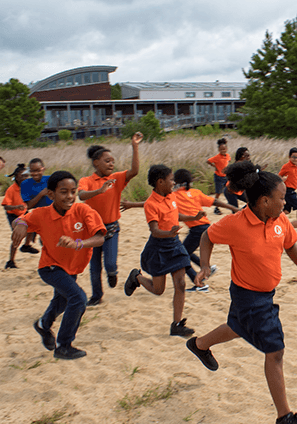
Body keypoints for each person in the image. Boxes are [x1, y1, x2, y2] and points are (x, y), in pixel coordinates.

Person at [185, 160, 297, 424]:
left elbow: (291, 245)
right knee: (275, 351)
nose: (286, 203)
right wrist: (205, 266)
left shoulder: (279, 220)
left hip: (265, 294)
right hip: (249, 296)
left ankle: (199, 345)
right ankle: (284, 418)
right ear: (263, 201)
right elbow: (207, 237)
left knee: (237, 327)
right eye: (281, 198)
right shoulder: (235, 224)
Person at [12, 171, 106, 360]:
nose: (70, 196)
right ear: (51, 195)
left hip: (71, 268)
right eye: (64, 192)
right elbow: (20, 219)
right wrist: (21, 223)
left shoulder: (84, 211)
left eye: (73, 191)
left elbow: (100, 238)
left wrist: (78, 243)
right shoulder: (42, 214)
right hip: (50, 267)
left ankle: (43, 325)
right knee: (78, 298)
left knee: (61, 302)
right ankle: (64, 345)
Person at [123, 165, 204, 337]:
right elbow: (154, 230)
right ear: (160, 182)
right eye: (171, 180)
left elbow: (176, 215)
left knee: (181, 284)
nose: (174, 183)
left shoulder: (171, 196)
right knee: (158, 290)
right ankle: (136, 277)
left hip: (174, 244)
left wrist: (193, 218)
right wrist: (169, 233)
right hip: (159, 247)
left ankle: (176, 324)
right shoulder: (151, 204)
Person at [78, 132, 142, 306]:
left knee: (110, 264)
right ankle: (96, 296)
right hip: (92, 230)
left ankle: (112, 273)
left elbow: (134, 171)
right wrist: (99, 191)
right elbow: (82, 195)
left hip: (111, 227)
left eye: (113, 161)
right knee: (94, 266)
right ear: (96, 162)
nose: (111, 164)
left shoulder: (115, 179)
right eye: (107, 161)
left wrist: (135, 146)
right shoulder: (87, 180)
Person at [173, 169, 238, 291]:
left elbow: (152, 203)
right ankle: (207, 267)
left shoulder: (174, 196)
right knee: (185, 251)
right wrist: (233, 207)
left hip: (197, 230)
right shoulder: (195, 192)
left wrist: (133, 205)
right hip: (205, 227)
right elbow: (215, 201)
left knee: (180, 256)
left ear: (176, 182)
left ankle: (199, 283)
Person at [20, 158, 52, 254]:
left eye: (38, 170)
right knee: (45, 240)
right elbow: (28, 206)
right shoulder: (25, 184)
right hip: (40, 216)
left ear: (43, 169)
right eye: (32, 171)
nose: (35, 173)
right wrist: (41, 194)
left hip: (55, 214)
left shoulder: (50, 180)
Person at [2, 163, 29, 269]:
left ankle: (27, 245)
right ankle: (11, 261)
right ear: (16, 177)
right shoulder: (11, 189)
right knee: (17, 236)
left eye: (27, 176)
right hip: (13, 215)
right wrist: (16, 206)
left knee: (36, 230)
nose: (25, 178)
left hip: (25, 214)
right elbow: (6, 207)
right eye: (23, 176)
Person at [278, 148, 297, 217]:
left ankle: (275, 218)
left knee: (287, 211)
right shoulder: (286, 166)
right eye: (294, 157)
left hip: (293, 189)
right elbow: (278, 177)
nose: (296, 159)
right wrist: (282, 179)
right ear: (289, 157)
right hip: (287, 190)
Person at [206, 138, 230, 215]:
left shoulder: (228, 156)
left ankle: (230, 204)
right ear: (219, 150)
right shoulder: (217, 157)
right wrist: (214, 166)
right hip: (219, 176)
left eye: (224, 149)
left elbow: (227, 163)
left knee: (229, 190)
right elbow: (208, 161)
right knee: (218, 193)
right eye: (221, 149)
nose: (223, 150)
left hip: (226, 176)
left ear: (226, 149)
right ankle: (216, 208)